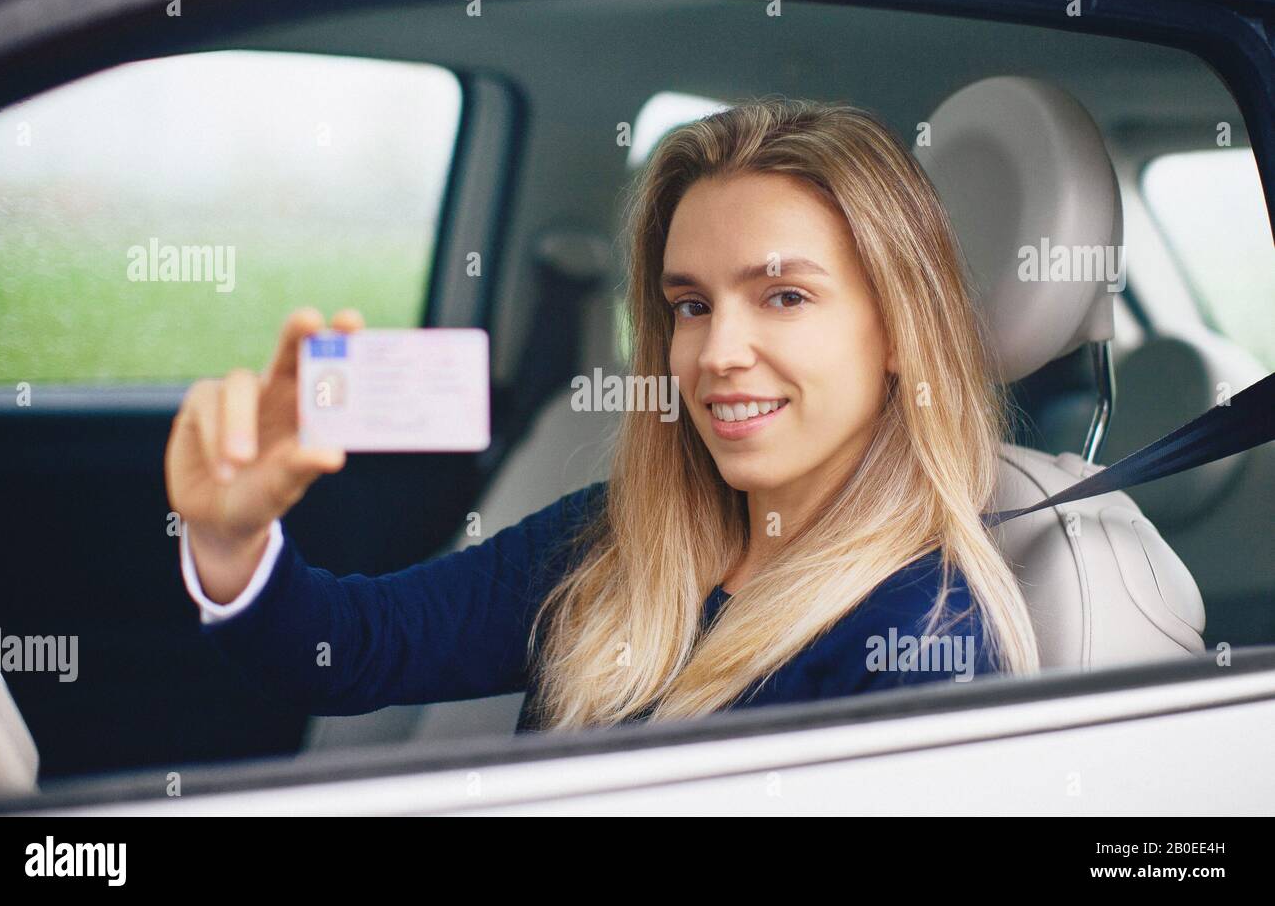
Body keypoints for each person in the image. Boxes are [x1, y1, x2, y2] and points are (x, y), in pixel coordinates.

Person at [165, 97, 1040, 734]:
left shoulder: (924, 639)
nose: (717, 351)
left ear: (896, 331)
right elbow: (354, 647)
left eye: (782, 296)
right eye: (691, 306)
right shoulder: (619, 541)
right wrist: (231, 542)